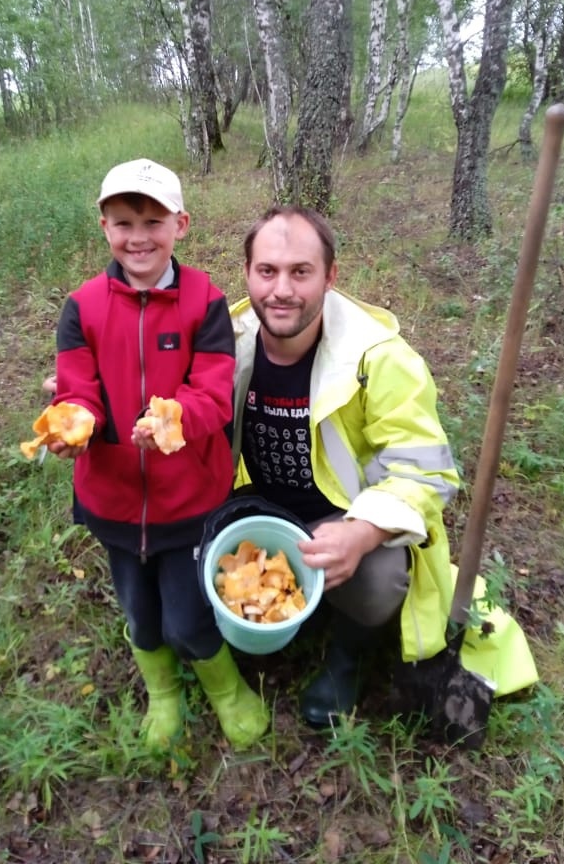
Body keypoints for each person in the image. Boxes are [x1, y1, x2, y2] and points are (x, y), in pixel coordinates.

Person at [44, 158, 269, 751]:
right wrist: (76, 424)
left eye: (152, 220)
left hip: (189, 496)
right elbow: (76, 387)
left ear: (181, 224)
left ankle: (225, 691)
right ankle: (163, 693)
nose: (137, 237)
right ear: (103, 227)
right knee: (142, 617)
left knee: (188, 618)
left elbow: (214, 392)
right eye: (123, 222)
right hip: (113, 497)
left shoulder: (206, 302)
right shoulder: (82, 307)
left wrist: (175, 419)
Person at [230, 205, 461, 728]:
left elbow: (425, 470)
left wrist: (363, 532)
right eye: (267, 271)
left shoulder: (378, 357)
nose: (281, 290)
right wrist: (94, 396)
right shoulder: (228, 338)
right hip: (257, 504)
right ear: (247, 273)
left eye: (301, 272)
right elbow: (166, 397)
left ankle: (347, 658)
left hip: (340, 516)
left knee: (378, 581)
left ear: (330, 276)